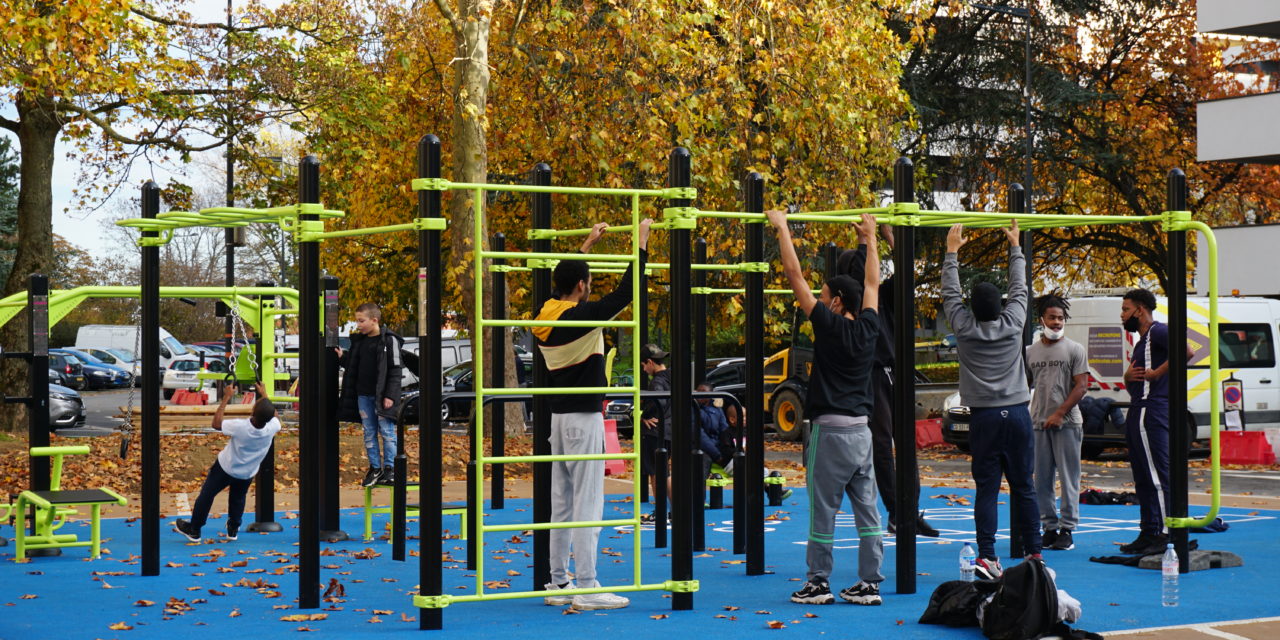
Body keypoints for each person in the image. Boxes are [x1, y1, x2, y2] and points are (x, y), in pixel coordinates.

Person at [533, 218, 651, 611]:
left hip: (557, 419)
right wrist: (642, 245)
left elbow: (563, 285)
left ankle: (558, 582)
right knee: (587, 503)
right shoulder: (581, 318)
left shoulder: (546, 315)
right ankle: (587, 584)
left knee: (562, 502)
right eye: (587, 282)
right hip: (584, 419)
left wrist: (586, 245)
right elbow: (625, 293)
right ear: (582, 287)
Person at [768, 209, 884, 606]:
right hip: (861, 431)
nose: (816, 298)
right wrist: (869, 239)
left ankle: (819, 581)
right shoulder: (869, 327)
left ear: (835, 303)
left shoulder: (828, 324)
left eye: (822, 295)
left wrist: (782, 228)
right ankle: (869, 583)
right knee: (866, 508)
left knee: (823, 509)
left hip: (830, 430)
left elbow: (793, 276)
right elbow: (872, 281)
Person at [941, 220, 1039, 580]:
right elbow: (1020, 288)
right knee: (1023, 485)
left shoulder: (964, 329)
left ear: (972, 308)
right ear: (1000, 306)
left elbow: (950, 294)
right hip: (1016, 412)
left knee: (987, 487)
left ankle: (987, 556)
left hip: (982, 416)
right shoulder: (1013, 323)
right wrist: (1015, 247)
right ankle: (1034, 553)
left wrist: (952, 251)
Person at [837, 225, 940, 538]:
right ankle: (898, 510)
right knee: (881, 444)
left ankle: (908, 510)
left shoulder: (884, 296)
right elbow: (860, 271)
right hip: (871, 374)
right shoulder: (850, 300)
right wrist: (864, 240)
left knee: (906, 442)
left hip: (894, 371)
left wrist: (891, 236)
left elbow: (907, 269)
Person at [175, 383, 281, 543]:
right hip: (247, 471)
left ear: (252, 411)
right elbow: (275, 416)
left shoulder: (241, 426)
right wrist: (264, 394)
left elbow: (216, 424)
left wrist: (226, 397)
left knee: (207, 495)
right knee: (238, 498)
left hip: (225, 468)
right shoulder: (272, 427)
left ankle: (194, 530)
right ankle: (233, 528)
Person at [1026, 293, 1089, 552]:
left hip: (1067, 423)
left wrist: (1060, 412)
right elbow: (1025, 384)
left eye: (1061, 318)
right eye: (1052, 317)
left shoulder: (1075, 349)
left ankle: (1067, 529)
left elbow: (1082, 386)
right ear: (1042, 319)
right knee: (1041, 479)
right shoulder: (1030, 351)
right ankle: (1049, 528)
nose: (1057, 322)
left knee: (1068, 476)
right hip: (1038, 422)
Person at [1117, 288, 1173, 555]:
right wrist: (1129, 377)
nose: (1122, 314)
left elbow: (1188, 351)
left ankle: (1164, 532)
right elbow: (1134, 385)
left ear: (1140, 310)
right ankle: (1149, 529)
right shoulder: (1142, 342)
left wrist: (1155, 373)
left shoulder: (1158, 331)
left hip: (1151, 412)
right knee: (1142, 476)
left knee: (1155, 474)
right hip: (1139, 408)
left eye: (1126, 309)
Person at [337, 302, 405, 487]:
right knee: (369, 432)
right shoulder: (360, 342)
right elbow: (353, 366)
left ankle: (390, 469)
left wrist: (390, 395)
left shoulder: (389, 341)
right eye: (357, 321)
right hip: (363, 395)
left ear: (374, 320)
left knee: (387, 432)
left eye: (361, 321)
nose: (358, 325)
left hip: (382, 395)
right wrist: (343, 358)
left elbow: (395, 370)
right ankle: (375, 468)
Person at [640, 343, 672, 500]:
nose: (644, 370)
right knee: (664, 471)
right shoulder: (673, 376)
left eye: (643, 366)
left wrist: (644, 416)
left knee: (657, 472)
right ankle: (677, 509)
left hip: (656, 431)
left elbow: (660, 401)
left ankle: (660, 511)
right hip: (671, 430)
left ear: (650, 362)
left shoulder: (656, 383)